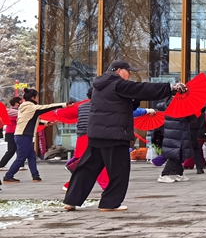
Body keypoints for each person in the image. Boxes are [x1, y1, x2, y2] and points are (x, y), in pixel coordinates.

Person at [64, 60, 183, 211]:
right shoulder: (117, 83)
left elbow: (122, 104)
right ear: (119, 70)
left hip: (97, 134)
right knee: (119, 170)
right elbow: (142, 88)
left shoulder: (99, 86)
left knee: (87, 168)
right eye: (128, 71)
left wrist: (137, 98)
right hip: (114, 134)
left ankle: (71, 200)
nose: (129, 74)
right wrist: (170, 88)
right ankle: (109, 203)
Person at [63, 91, 155, 192]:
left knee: (85, 161)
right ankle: (106, 186)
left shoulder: (81, 106)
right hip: (95, 136)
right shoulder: (103, 105)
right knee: (97, 162)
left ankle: (71, 177)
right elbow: (127, 111)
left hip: (81, 137)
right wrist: (146, 111)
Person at [3, 89, 68, 184]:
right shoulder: (31, 107)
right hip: (23, 135)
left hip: (23, 135)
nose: (38, 98)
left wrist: (46, 123)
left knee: (31, 156)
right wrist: (64, 105)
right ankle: (8, 176)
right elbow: (47, 107)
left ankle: (35, 176)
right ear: (33, 97)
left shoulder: (24, 107)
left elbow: (32, 120)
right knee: (21, 157)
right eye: (37, 96)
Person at [156, 99, 194, 183]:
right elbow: (190, 118)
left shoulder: (168, 104)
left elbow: (159, 106)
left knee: (178, 154)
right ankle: (164, 175)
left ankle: (180, 174)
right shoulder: (180, 107)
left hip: (171, 132)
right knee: (174, 154)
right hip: (179, 132)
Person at [0, 97, 22, 169]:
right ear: (16, 103)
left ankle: (21, 165)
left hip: (14, 132)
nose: (21, 103)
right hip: (11, 133)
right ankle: (1, 165)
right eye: (20, 102)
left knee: (18, 149)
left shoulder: (14, 111)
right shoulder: (12, 112)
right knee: (11, 150)